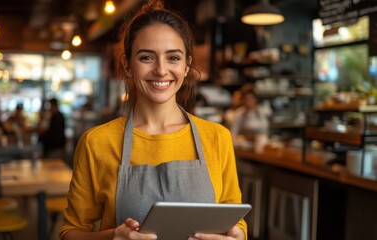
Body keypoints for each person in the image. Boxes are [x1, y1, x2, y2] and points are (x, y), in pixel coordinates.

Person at [60, 0, 247, 239]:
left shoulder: (217, 137)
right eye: (147, 58)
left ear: (187, 65)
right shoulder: (97, 142)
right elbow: (70, 233)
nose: (161, 70)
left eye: (173, 58)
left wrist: (238, 236)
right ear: (127, 65)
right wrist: (112, 237)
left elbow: (236, 221)